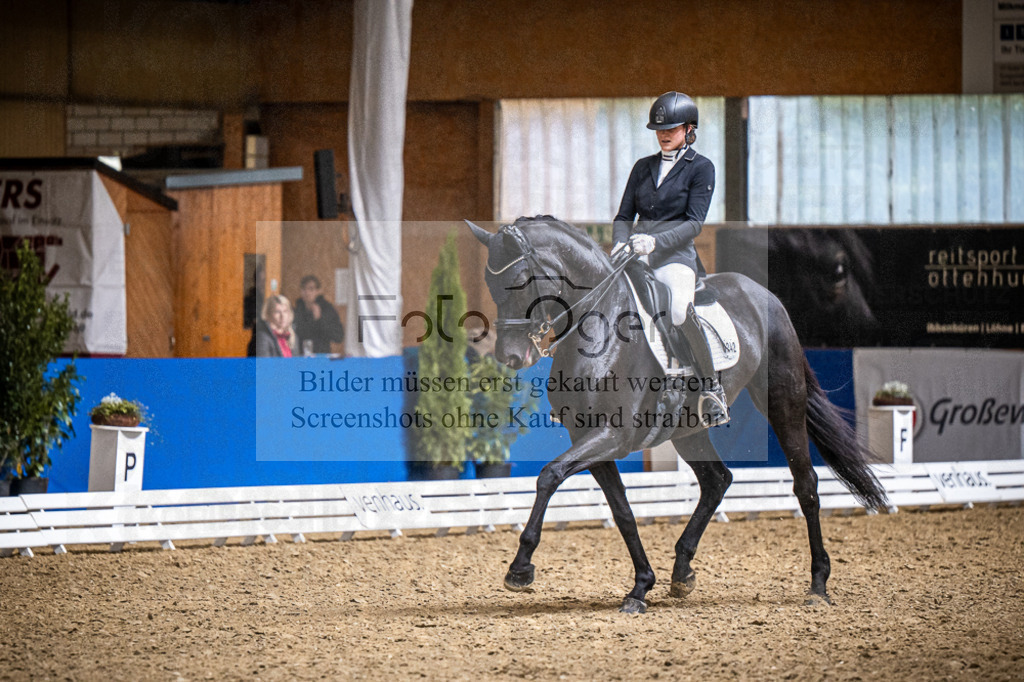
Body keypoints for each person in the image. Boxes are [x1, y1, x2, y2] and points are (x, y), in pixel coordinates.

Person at [612, 91, 728, 426]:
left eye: (672, 129)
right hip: (634, 255)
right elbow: (624, 216)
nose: (664, 134)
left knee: (677, 309)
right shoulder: (643, 167)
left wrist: (655, 242)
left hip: (674, 257)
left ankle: (711, 388)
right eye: (660, 129)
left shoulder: (701, 168)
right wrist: (620, 243)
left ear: (689, 129)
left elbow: (694, 223)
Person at [293, 275, 345, 355]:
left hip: (321, 355)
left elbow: (338, 337)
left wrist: (319, 319)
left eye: (311, 289)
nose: (307, 293)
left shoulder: (327, 309)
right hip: (301, 355)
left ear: (318, 291)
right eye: (304, 289)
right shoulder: (297, 310)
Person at [243, 262, 265, 329]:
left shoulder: (275, 300)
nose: (263, 284)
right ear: (256, 282)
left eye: (265, 280)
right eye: (260, 281)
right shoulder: (249, 302)